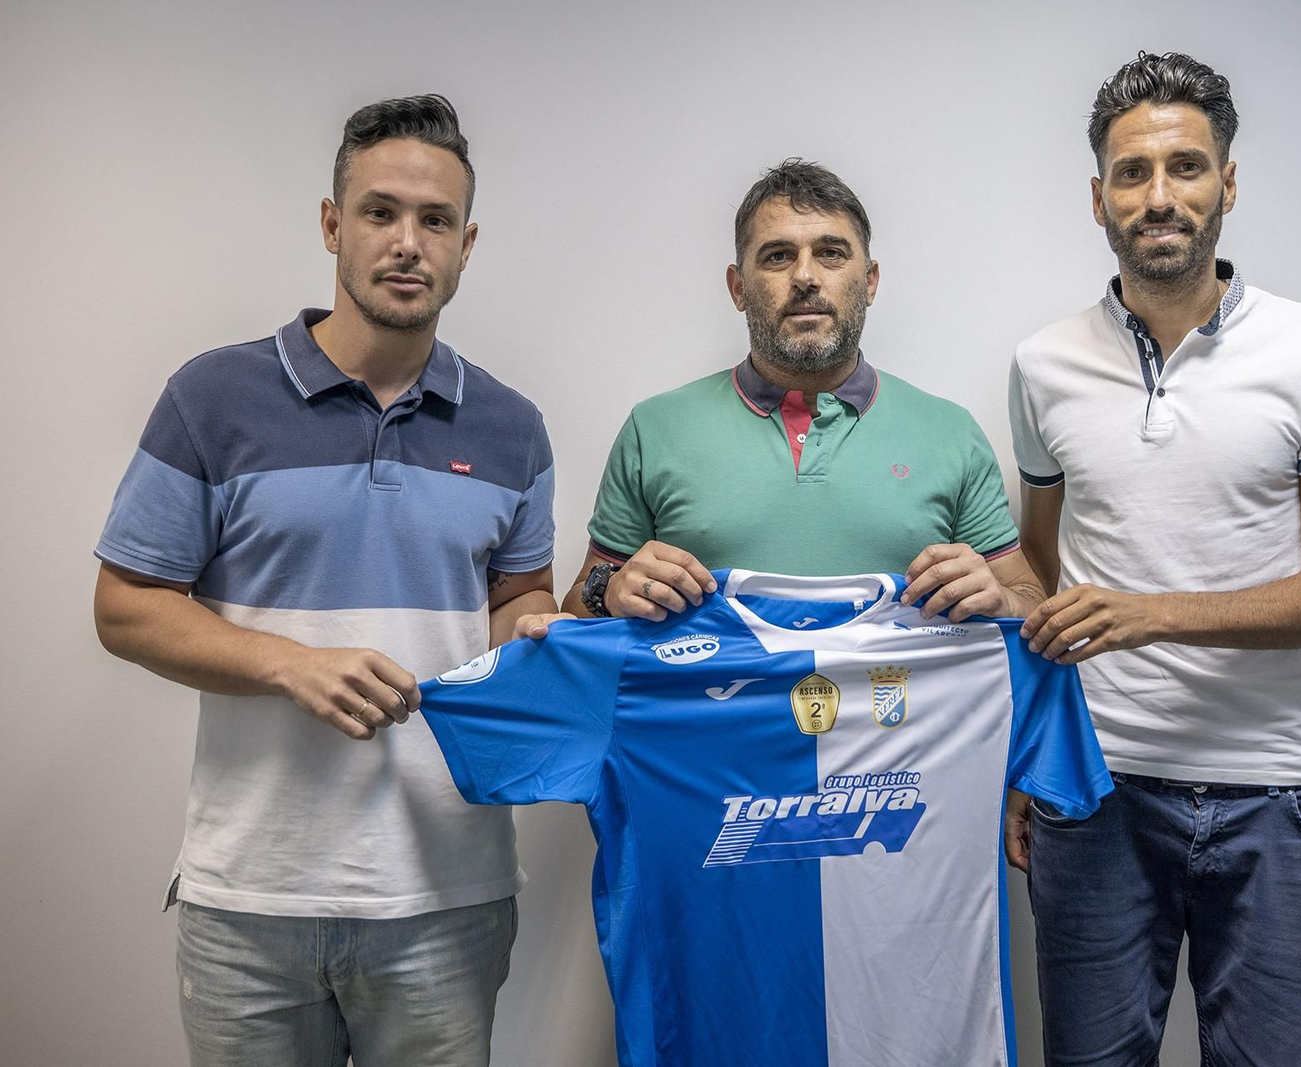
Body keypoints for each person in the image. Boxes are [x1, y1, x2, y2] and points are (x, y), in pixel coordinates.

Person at [92, 94, 557, 1066]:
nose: (406, 242)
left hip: (447, 892)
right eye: (380, 212)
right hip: (251, 899)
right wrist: (288, 663)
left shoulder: (512, 427)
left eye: (435, 221)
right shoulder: (212, 398)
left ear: (467, 244)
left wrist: (538, 633)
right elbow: (125, 607)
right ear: (331, 223)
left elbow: (519, 600)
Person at [1006, 52, 1301, 1067]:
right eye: (1132, 173)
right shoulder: (1042, 365)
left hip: (1279, 797)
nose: (1158, 195)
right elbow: (1038, 579)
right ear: (1097, 197)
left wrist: (1149, 611)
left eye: (1185, 166)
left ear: (1227, 182)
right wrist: (1023, 761)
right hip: (1094, 794)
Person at [554, 159, 1043, 624]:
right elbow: (576, 607)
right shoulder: (653, 429)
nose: (805, 276)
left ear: (869, 281)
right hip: (716, 711)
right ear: (738, 287)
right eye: (778, 256)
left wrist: (1002, 600)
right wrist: (607, 591)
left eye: (831, 253)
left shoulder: (951, 433)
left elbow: (1029, 597)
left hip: (896, 712)